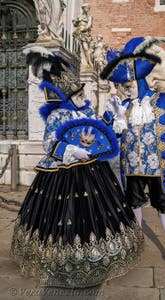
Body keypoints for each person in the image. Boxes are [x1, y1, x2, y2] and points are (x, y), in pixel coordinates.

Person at [10, 47, 143, 288]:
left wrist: (115, 118)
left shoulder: (84, 112)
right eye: (78, 93)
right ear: (66, 96)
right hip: (62, 175)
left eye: (82, 91)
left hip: (92, 172)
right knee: (65, 218)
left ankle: (94, 259)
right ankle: (63, 262)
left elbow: (97, 135)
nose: (82, 95)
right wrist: (70, 151)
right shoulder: (58, 116)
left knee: (93, 217)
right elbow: (50, 143)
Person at [100, 36, 165, 277]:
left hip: (158, 168)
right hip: (130, 167)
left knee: (164, 205)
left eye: (128, 84)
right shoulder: (122, 106)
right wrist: (110, 117)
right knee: (133, 204)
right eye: (124, 85)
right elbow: (109, 134)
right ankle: (136, 242)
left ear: (140, 81)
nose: (124, 88)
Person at [72, 3, 93, 68]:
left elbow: (89, 25)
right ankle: (81, 61)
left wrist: (83, 28)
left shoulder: (90, 17)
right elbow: (75, 24)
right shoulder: (79, 16)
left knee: (86, 48)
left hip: (85, 33)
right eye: (86, 8)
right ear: (83, 9)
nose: (87, 10)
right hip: (78, 33)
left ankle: (89, 62)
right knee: (78, 47)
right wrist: (74, 22)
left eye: (88, 8)